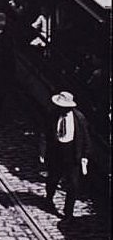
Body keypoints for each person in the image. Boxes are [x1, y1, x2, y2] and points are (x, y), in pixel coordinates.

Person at [44, 91, 90, 221]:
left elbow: (85, 138)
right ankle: (49, 199)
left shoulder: (79, 118)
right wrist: (43, 151)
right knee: (53, 179)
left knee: (74, 185)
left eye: (65, 107)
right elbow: (46, 133)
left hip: (72, 154)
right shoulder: (52, 115)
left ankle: (68, 212)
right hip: (56, 152)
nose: (62, 109)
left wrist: (84, 156)